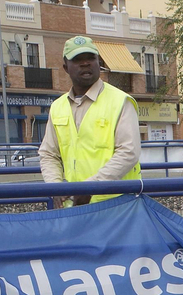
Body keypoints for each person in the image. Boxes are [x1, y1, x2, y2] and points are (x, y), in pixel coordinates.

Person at [38, 35, 141, 207]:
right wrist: (55, 187)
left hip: (118, 206)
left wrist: (92, 186)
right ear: (65, 67)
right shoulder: (58, 107)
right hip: (75, 207)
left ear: (99, 62)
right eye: (77, 60)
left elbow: (128, 152)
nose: (85, 63)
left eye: (90, 58)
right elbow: (49, 154)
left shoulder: (120, 101)